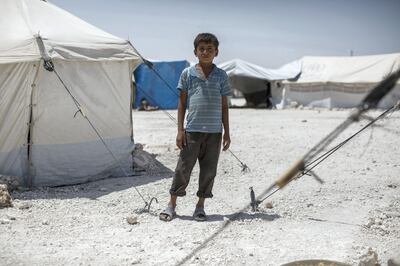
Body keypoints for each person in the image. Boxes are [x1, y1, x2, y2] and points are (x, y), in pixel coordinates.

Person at [159, 33, 231, 222]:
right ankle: (171, 205)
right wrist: (180, 130)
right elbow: (182, 103)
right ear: (195, 52)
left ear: (216, 52)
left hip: (214, 132)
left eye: (210, 49)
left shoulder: (221, 76)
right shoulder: (187, 74)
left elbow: (224, 106)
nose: (205, 52)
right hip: (192, 131)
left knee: (209, 171)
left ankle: (200, 207)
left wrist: (227, 133)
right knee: (183, 168)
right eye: (202, 49)